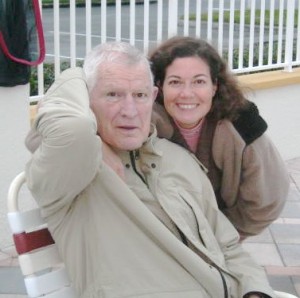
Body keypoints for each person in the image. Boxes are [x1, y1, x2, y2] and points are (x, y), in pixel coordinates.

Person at [25, 41, 276, 298]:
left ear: (154, 97)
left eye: (140, 95)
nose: (130, 111)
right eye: (113, 94)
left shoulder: (177, 159)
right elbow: (72, 129)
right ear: (86, 101)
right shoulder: (75, 171)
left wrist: (255, 290)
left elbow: (229, 247)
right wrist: (97, 143)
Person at [149, 36, 290, 240]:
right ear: (160, 86)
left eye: (199, 81)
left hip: (223, 235)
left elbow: (268, 198)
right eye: (175, 82)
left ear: (214, 86)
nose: (186, 94)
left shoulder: (243, 126)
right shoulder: (142, 122)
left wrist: (225, 238)